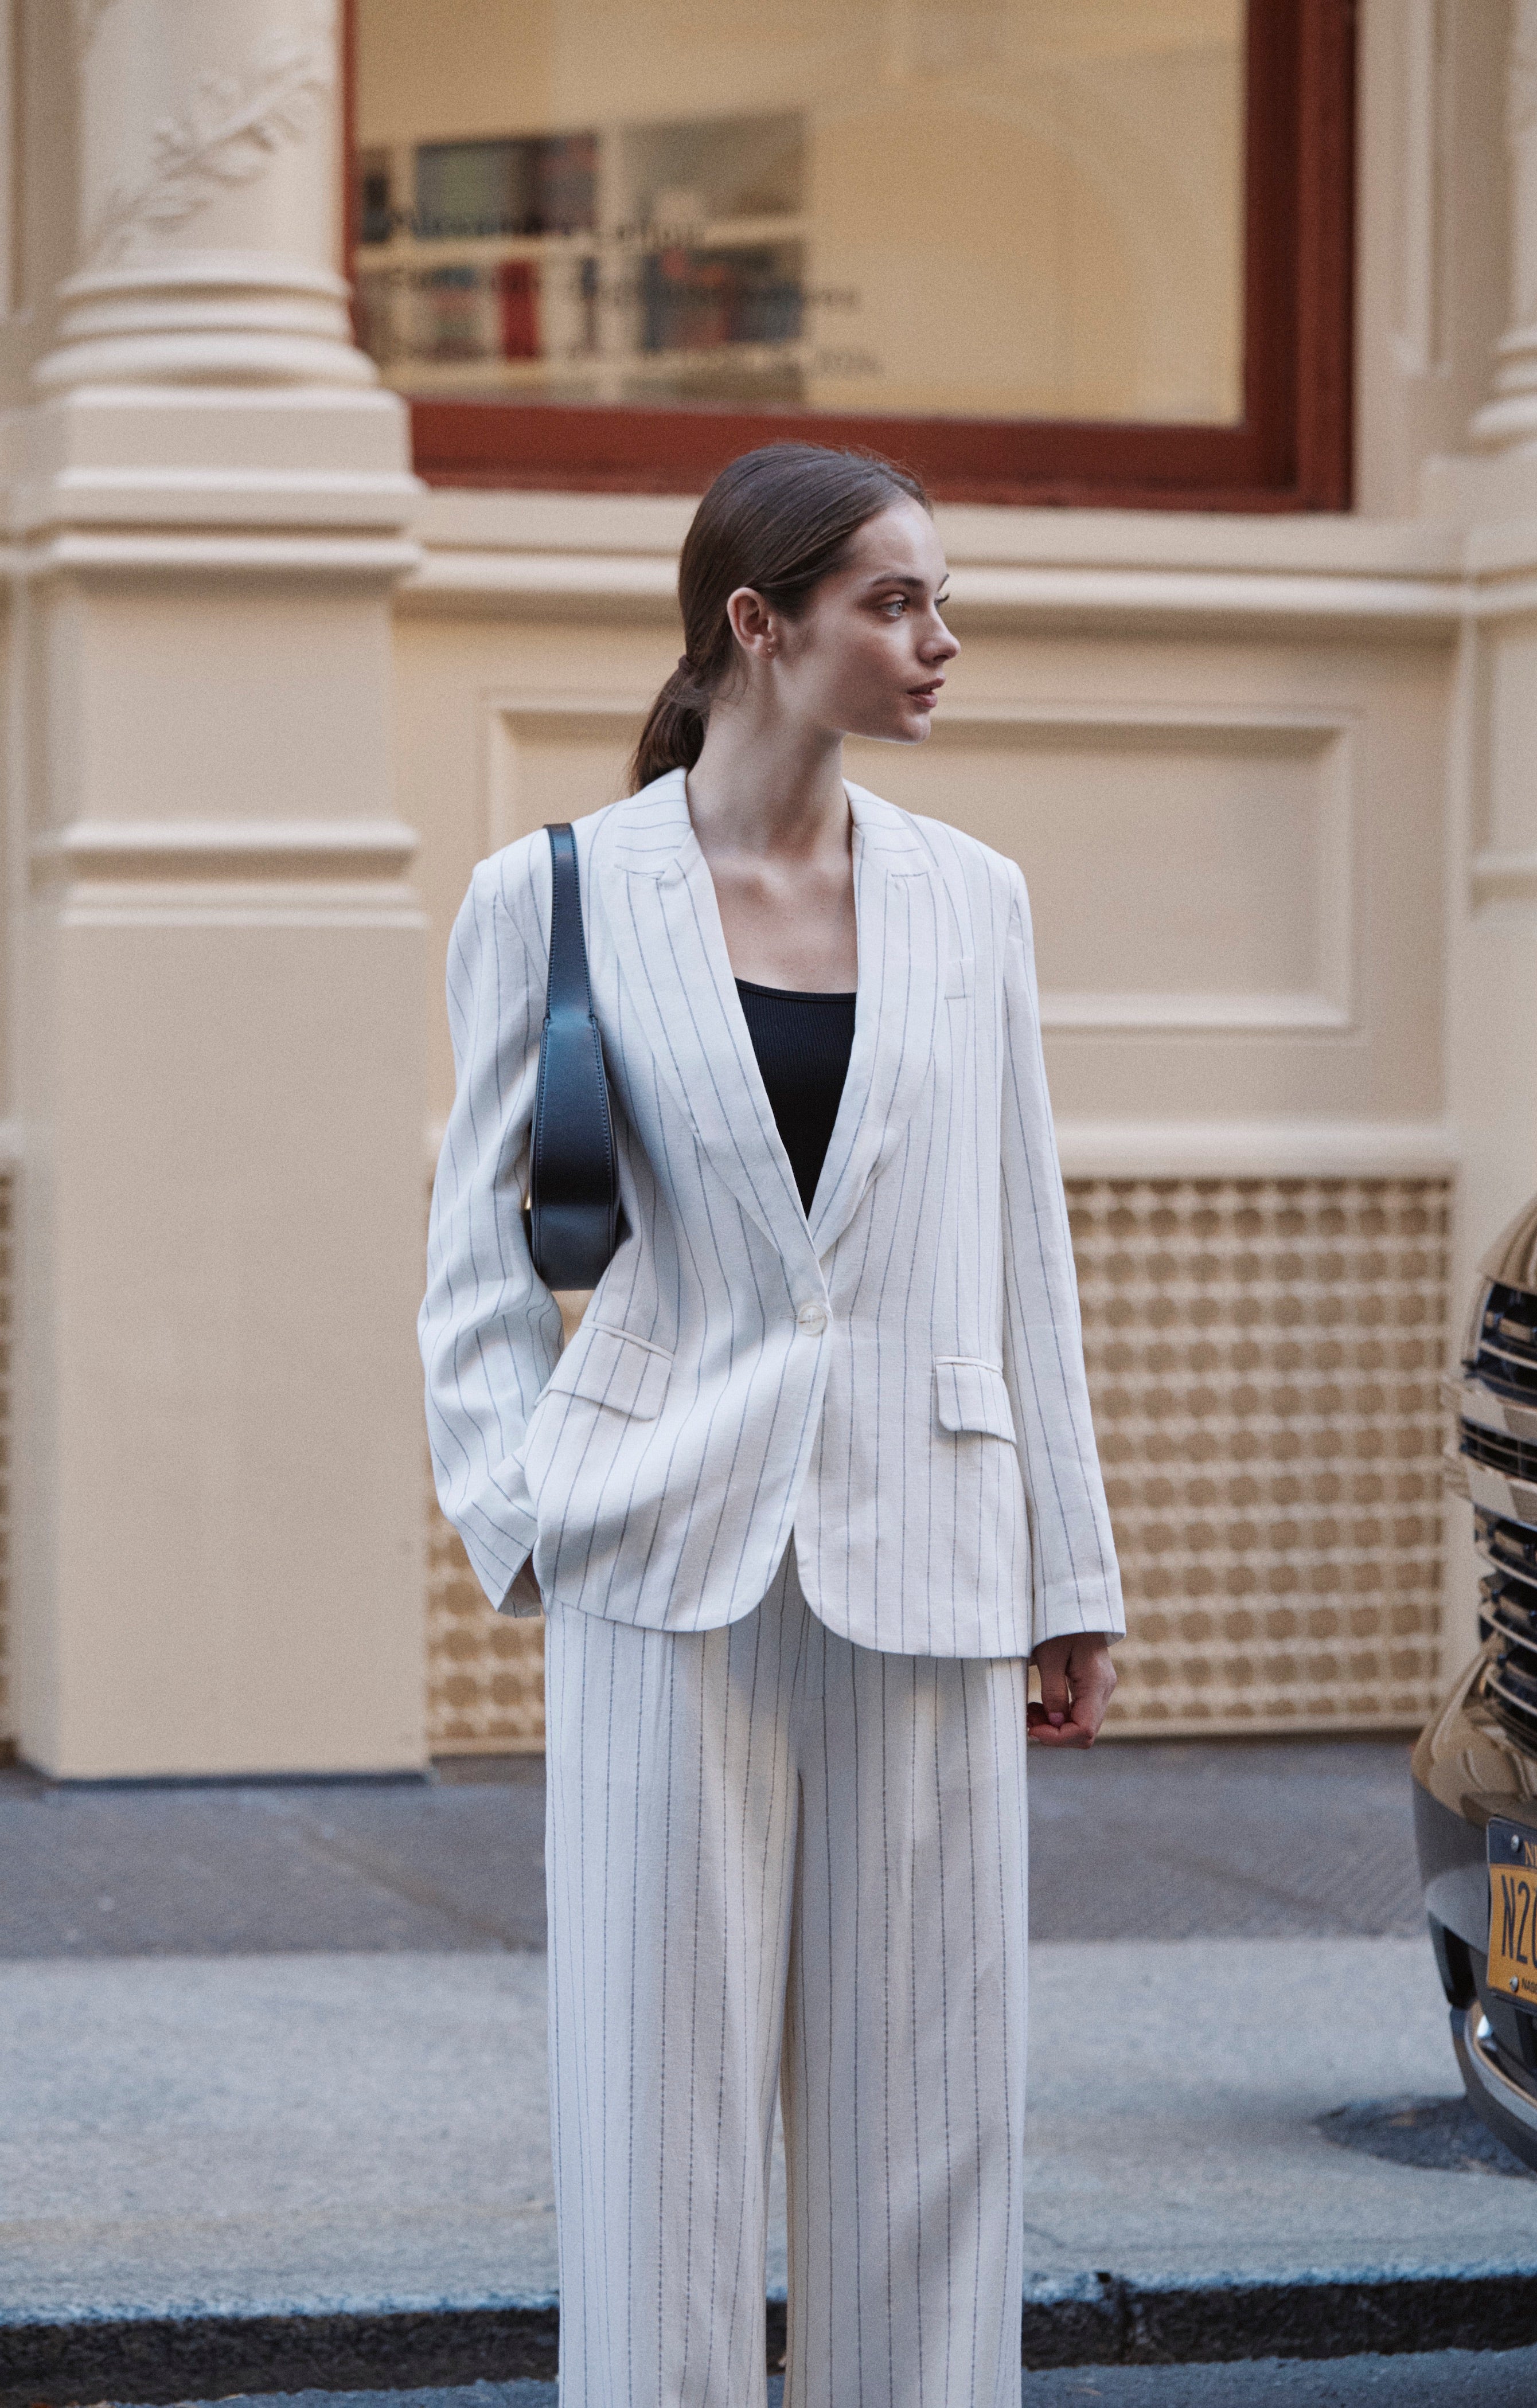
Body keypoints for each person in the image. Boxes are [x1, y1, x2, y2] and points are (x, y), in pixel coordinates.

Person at [419, 441, 1124, 2408]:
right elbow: (475, 1254)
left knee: (930, 2133)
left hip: (936, 1544)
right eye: (896, 603)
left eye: (941, 602)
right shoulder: (550, 892)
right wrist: (530, 1507)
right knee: (661, 2133)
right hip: (664, 1549)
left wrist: (1070, 1571)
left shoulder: (973, 902)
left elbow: (1021, 1253)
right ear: (762, 624)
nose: (941, 641)